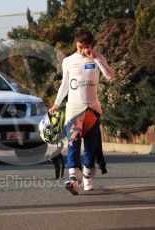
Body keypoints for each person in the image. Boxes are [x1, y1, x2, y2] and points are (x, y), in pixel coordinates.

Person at [49, 28, 115, 195]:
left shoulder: (98, 58)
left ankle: (87, 176)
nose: (81, 50)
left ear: (90, 45)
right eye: (79, 47)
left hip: (92, 109)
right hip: (74, 108)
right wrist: (57, 104)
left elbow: (110, 76)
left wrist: (97, 59)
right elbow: (65, 84)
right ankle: (73, 179)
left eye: (84, 47)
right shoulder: (68, 61)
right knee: (73, 142)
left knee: (91, 147)